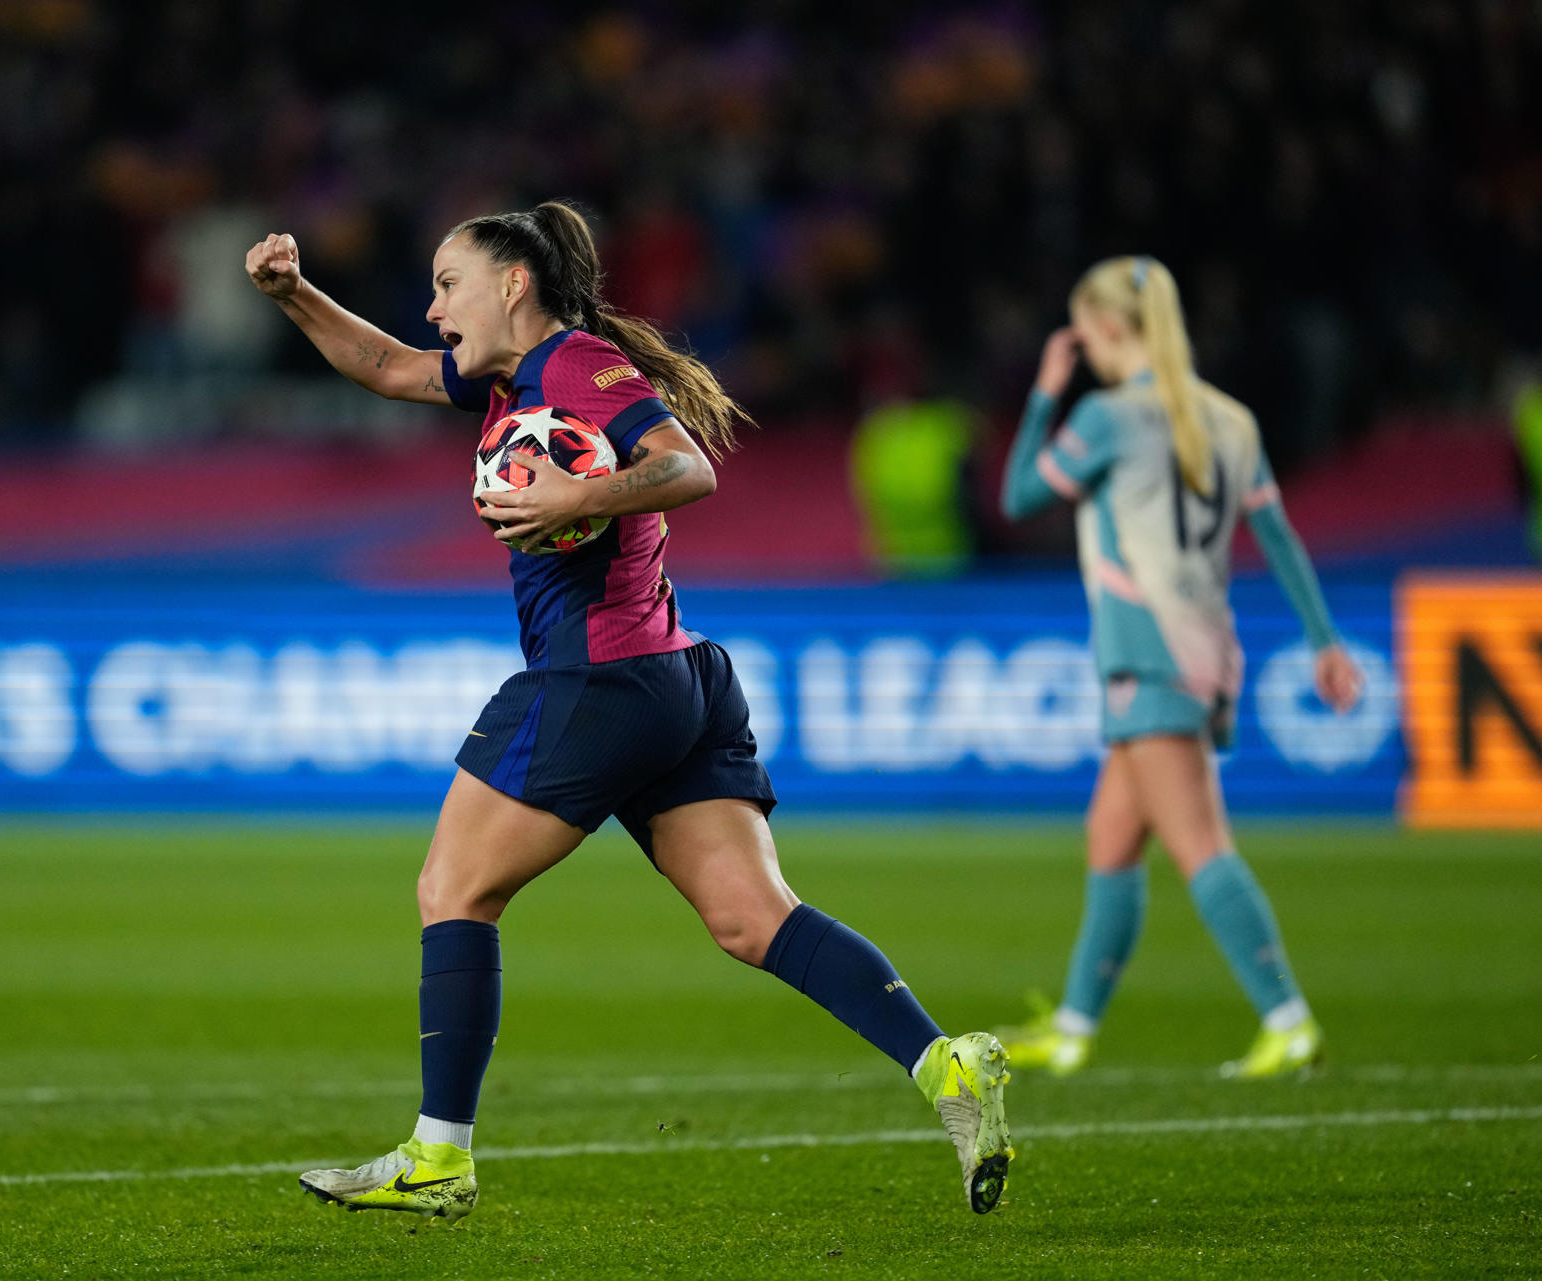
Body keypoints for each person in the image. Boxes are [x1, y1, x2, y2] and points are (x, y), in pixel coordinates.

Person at [244, 201, 1012, 1221]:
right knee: (752, 919)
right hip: (676, 682)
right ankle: (946, 1067)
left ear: (513, 283)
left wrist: (573, 500)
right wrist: (295, 295)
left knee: (453, 890)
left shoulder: (579, 368)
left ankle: (439, 1157)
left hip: (598, 680)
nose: (433, 311)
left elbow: (687, 466)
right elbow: (385, 366)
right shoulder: (512, 378)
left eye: (446, 284)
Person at [996, 255, 1362, 1079]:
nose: (1078, 345)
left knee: (1200, 842)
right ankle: (1075, 1027)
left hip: (1145, 652)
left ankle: (1289, 1017)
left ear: (1109, 329)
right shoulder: (1229, 419)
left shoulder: (1106, 419)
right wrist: (1325, 640)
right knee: (1112, 838)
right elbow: (1278, 537)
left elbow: (1019, 495)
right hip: (1205, 646)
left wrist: (1046, 391)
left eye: (1082, 330)